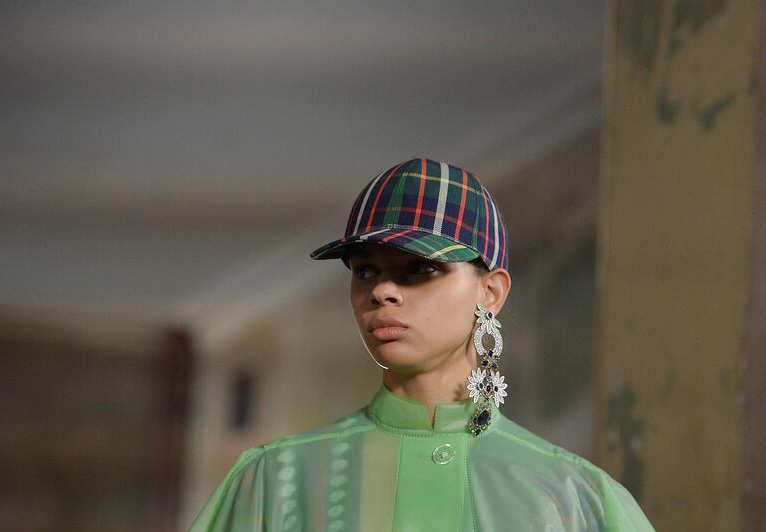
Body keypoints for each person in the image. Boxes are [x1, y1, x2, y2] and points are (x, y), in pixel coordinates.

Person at [189, 158, 655, 531]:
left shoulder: (575, 498)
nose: (382, 291)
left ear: (489, 292)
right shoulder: (276, 481)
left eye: (420, 268)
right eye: (364, 270)